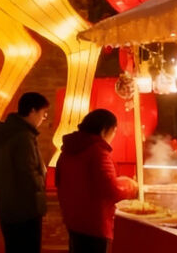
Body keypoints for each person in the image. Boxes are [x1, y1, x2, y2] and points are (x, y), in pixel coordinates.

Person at [55, 108, 138, 253]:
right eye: (114, 131)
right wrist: (130, 185)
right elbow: (110, 190)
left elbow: (60, 182)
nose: (113, 136)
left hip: (73, 220)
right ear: (105, 130)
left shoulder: (66, 151)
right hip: (95, 224)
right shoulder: (98, 152)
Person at [0, 92, 50, 253]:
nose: (44, 118)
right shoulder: (24, 137)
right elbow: (28, 173)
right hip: (26, 208)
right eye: (43, 113)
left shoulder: (3, 134)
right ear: (32, 111)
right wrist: (42, 182)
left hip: (6, 206)